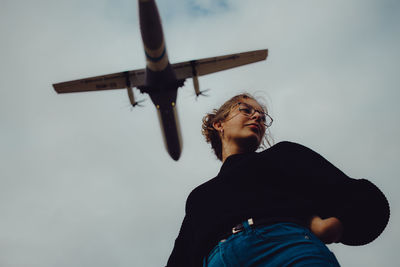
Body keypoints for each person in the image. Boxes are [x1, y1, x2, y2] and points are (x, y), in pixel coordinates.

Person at [166, 93, 389, 267]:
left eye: (262, 117)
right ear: (219, 124)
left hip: (286, 250)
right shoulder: (199, 197)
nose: (257, 117)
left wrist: (339, 225)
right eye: (246, 109)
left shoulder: (283, 154)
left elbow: (364, 196)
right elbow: (180, 259)